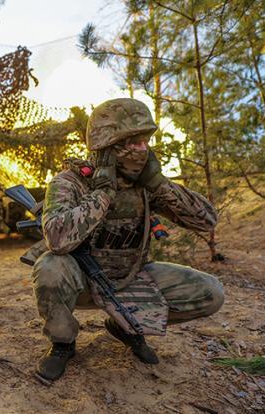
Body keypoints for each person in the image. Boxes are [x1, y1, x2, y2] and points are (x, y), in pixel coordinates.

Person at [29, 98, 224, 383]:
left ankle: (124, 328)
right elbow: (58, 240)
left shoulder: (146, 185)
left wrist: (159, 184)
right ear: (107, 146)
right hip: (82, 282)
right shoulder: (71, 181)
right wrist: (104, 192)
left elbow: (206, 221)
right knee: (49, 267)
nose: (142, 150)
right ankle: (62, 343)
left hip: (131, 276)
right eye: (133, 142)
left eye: (145, 141)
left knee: (211, 293)